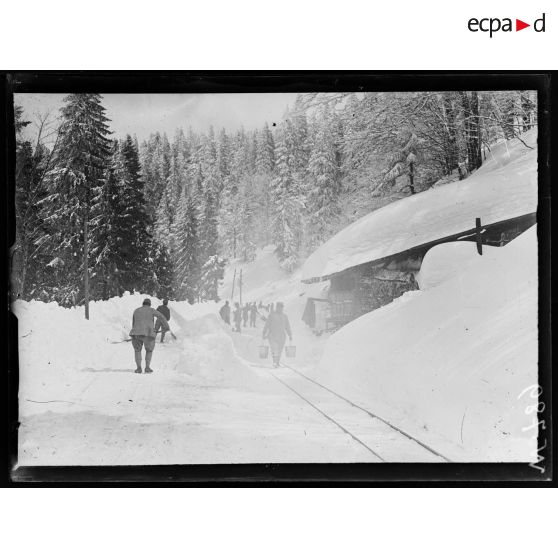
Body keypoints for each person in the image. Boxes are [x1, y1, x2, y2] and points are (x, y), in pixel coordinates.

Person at [130, 298, 169, 374]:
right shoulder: (151, 310)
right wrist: (166, 326)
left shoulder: (136, 310)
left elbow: (134, 323)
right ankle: (147, 367)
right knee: (149, 350)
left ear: (143, 303)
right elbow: (161, 316)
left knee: (137, 350)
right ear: (149, 304)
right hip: (149, 334)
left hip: (136, 333)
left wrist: (134, 332)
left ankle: (138, 368)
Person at [262, 301, 292, 368]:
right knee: (274, 349)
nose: (281, 308)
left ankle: (277, 362)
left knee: (280, 350)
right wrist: (264, 333)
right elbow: (267, 325)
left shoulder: (285, 316)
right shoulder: (272, 315)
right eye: (279, 307)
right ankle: (274, 362)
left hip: (282, 336)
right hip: (272, 335)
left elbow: (287, 326)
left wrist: (290, 335)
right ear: (277, 307)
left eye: (282, 307)